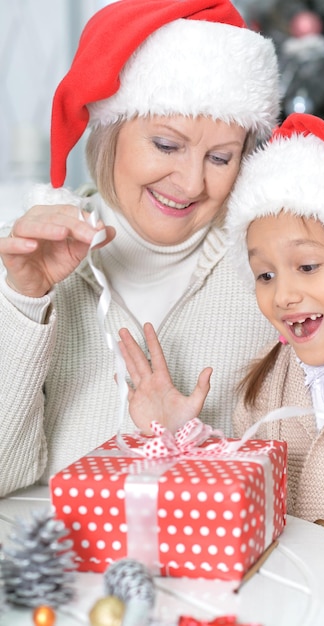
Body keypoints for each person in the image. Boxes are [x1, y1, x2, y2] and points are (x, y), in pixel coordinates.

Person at [121, 113, 324, 619]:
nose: (283, 293)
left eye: (307, 266)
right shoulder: (262, 387)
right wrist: (180, 436)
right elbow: (248, 496)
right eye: (264, 274)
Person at [0, 0, 281, 496]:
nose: (192, 182)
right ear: (111, 130)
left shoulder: (268, 275)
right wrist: (23, 302)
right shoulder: (24, 253)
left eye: (220, 157)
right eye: (167, 146)